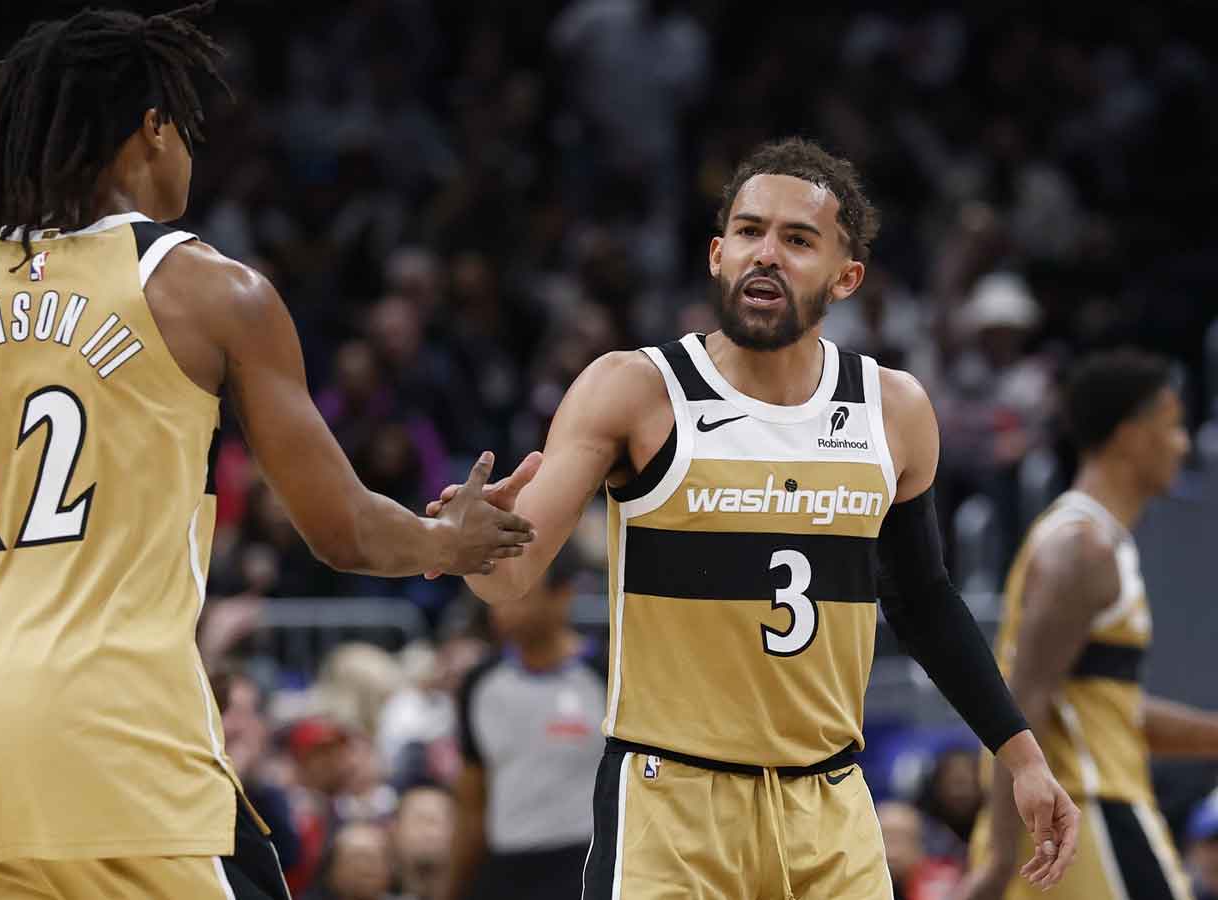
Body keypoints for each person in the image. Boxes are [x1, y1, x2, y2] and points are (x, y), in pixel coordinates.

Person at [0, 6, 535, 899]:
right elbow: (343, 529)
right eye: (184, 125)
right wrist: (445, 545)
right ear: (151, 129)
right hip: (120, 751)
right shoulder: (210, 290)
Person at [425, 137, 1079, 898]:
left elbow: (923, 600)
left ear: (847, 277)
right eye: (748, 231)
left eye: (797, 240)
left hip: (827, 805)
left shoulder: (892, 409)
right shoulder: (636, 389)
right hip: (672, 806)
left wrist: (1022, 756)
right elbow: (509, 580)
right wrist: (473, 540)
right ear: (715, 254)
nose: (766, 253)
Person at [961, 350, 1218, 900]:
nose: (1184, 443)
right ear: (1131, 436)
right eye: (1172, 426)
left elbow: (1110, 714)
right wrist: (1000, 857)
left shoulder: (1097, 542)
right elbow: (1022, 695)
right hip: (1084, 815)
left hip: (1087, 812)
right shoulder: (1081, 547)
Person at [441, 549, 605, 900]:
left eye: (520, 596)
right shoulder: (479, 683)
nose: (504, 609)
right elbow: (472, 799)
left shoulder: (606, 674)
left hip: (588, 863)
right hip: (508, 869)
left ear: (564, 595)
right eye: (497, 596)